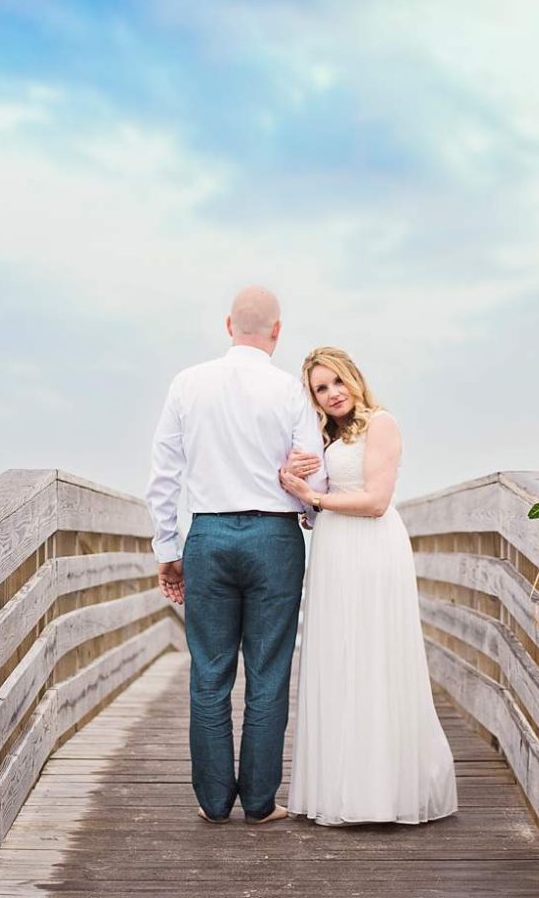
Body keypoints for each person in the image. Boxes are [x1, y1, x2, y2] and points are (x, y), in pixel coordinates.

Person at [145, 287, 327, 825]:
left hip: (209, 535)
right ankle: (259, 802)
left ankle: (213, 802)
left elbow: (163, 477)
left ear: (229, 325)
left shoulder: (187, 384)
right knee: (268, 674)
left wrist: (167, 549)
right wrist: (310, 516)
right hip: (274, 539)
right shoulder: (290, 392)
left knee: (209, 672)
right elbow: (310, 469)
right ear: (277, 331)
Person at [279, 346, 458, 826]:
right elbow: (320, 503)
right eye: (321, 388)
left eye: (337, 381)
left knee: (372, 655)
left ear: (355, 379)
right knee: (339, 656)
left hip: (372, 549)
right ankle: (340, 784)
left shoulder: (382, 423)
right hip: (335, 549)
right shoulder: (327, 437)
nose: (332, 393)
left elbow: (377, 500)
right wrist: (301, 493)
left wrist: (312, 495)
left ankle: (380, 790)